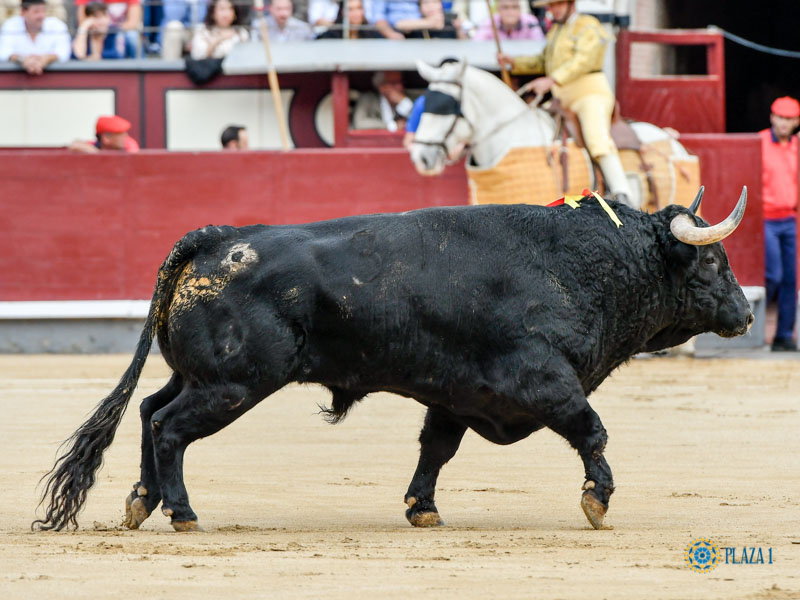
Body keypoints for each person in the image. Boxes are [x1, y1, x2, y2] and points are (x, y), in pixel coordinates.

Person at [497, 0, 634, 206]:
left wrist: (551, 80)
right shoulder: (556, 32)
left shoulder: (588, 26)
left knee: (596, 138)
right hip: (563, 100)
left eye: (558, 4)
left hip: (589, 94)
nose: (553, 10)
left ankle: (623, 194)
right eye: (551, 6)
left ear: (571, 4)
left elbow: (583, 61)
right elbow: (543, 62)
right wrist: (514, 62)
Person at [760, 96, 799, 351]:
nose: (783, 124)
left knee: (790, 279)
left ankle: (783, 336)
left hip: (790, 219)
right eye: (780, 118)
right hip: (765, 219)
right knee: (772, 275)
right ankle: (756, 327)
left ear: (796, 122)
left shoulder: (797, 146)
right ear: (772, 117)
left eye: (789, 119)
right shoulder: (759, 142)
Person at [0, 0, 69, 75]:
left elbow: (63, 53)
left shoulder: (57, 25)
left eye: (43, 11)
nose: (41, 16)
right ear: (23, 12)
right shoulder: (10, 25)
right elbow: (4, 53)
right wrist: (23, 60)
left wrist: (45, 59)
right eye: (36, 12)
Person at [74, 0, 142, 57]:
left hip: (116, 31)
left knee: (132, 36)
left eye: (102, 16)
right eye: (95, 17)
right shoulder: (85, 35)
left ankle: (140, 68)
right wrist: (83, 28)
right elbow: (78, 56)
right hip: (91, 33)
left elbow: (134, 22)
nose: (100, 21)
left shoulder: (113, 36)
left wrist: (110, 28)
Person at [472, 0, 543, 41]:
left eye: (514, 7)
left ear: (520, 9)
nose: (510, 11)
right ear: (498, 9)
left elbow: (539, 46)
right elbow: (477, 45)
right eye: (505, 7)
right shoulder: (490, 23)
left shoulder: (530, 22)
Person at [69, 114, 141, 153]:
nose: (126, 136)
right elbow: (75, 145)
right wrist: (98, 154)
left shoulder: (128, 144)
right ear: (106, 138)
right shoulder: (94, 145)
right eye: (120, 134)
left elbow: (133, 153)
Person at [395, 0, 464, 39]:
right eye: (425, 3)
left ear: (441, 5)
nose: (430, 6)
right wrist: (431, 23)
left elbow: (464, 44)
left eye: (435, 2)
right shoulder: (416, 22)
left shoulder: (450, 20)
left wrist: (459, 30)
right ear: (419, 8)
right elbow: (399, 25)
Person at [315, 0, 383, 39]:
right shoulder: (329, 37)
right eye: (350, 9)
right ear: (342, 12)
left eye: (359, 8)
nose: (356, 14)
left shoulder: (372, 36)